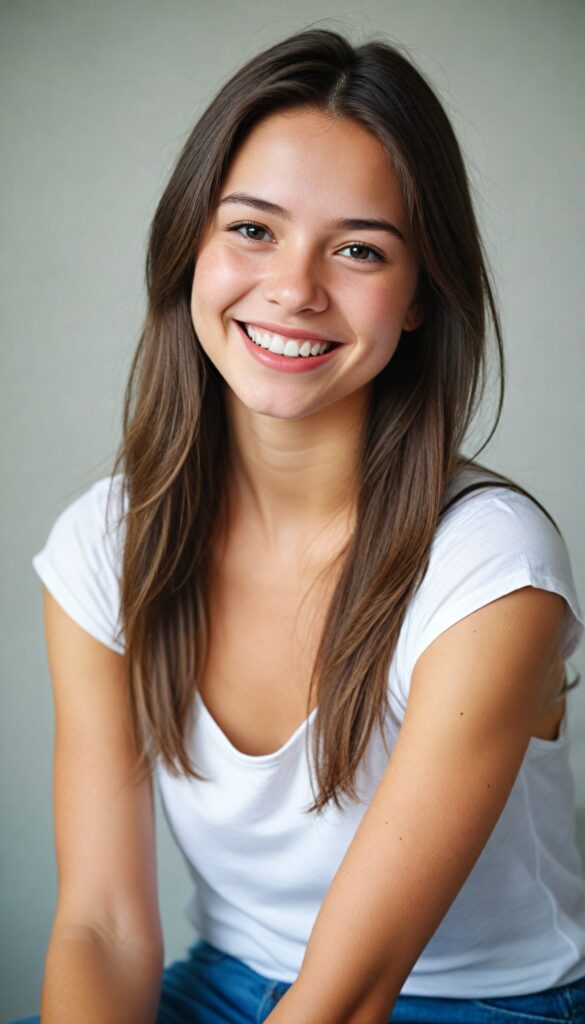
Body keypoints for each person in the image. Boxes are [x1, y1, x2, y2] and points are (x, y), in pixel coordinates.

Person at [17, 26, 585, 1024]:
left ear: (418, 296)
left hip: (468, 1005)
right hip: (225, 987)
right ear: (190, 242)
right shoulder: (105, 544)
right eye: (252, 229)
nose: (293, 287)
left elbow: (349, 996)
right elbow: (101, 925)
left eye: (360, 249)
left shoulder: (491, 566)